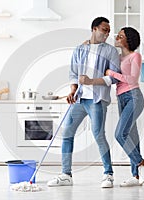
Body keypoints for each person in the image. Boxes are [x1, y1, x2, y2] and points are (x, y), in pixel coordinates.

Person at [47, 17, 121, 188]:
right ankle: (66, 174)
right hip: (80, 99)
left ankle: (108, 174)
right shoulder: (80, 49)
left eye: (109, 31)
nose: (107, 33)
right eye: (104, 29)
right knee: (67, 134)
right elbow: (73, 73)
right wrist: (73, 90)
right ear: (94, 29)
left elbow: (113, 77)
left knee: (98, 135)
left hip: (97, 99)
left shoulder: (110, 51)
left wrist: (91, 81)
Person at [79, 27, 144, 187]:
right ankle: (136, 176)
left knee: (120, 134)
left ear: (128, 40)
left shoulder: (135, 56)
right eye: (118, 34)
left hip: (133, 96)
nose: (117, 37)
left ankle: (141, 163)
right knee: (132, 136)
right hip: (121, 98)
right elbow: (99, 59)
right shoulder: (117, 57)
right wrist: (87, 46)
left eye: (121, 35)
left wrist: (112, 73)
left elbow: (132, 80)